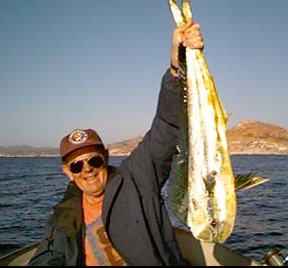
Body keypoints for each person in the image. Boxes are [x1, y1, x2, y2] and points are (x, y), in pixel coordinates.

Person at [28, 20, 204, 266]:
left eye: (94, 160)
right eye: (77, 166)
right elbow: (47, 258)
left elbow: (166, 126)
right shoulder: (65, 214)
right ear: (67, 173)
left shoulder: (137, 179)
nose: (87, 169)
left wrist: (177, 68)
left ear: (107, 158)